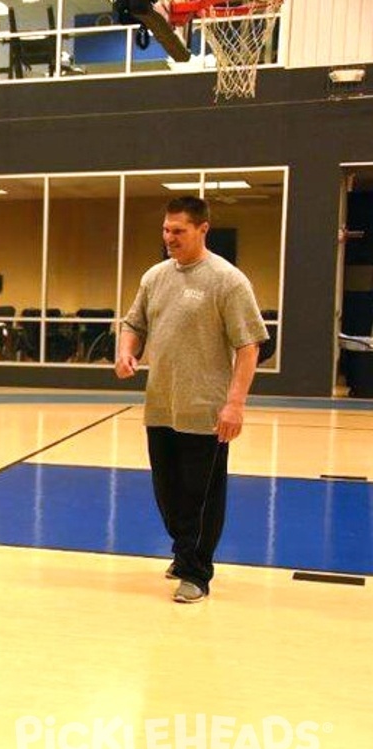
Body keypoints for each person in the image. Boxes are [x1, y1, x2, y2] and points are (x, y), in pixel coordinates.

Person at [116, 196, 268, 604]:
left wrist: (234, 404)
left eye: (178, 231)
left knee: (200, 494)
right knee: (168, 492)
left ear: (203, 229)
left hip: (206, 410)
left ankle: (196, 571)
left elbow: (249, 346)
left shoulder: (228, 280)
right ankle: (184, 549)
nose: (169, 238)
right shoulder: (155, 277)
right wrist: (126, 349)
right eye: (166, 230)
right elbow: (133, 323)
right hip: (162, 406)